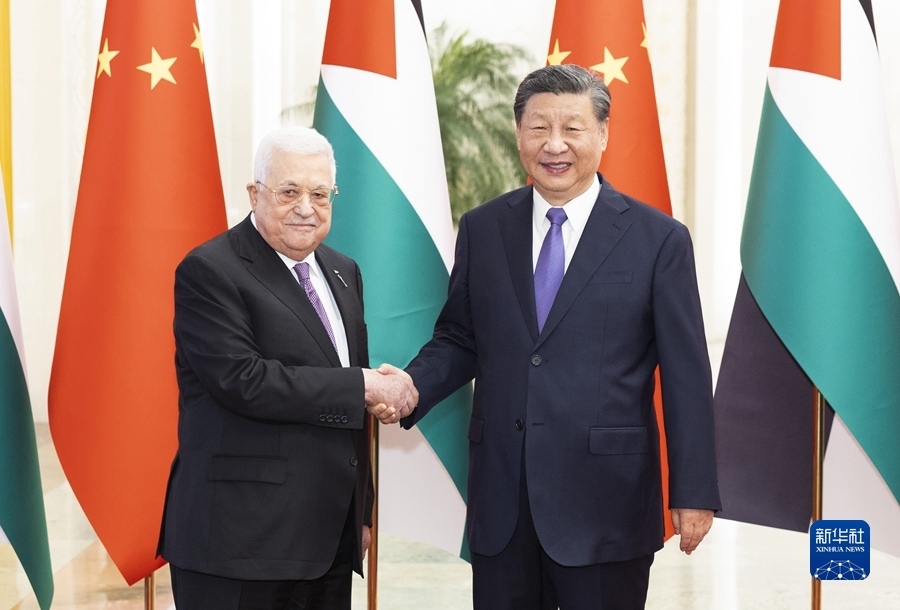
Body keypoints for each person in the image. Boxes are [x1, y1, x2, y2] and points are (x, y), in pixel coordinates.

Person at [380, 64, 721, 609]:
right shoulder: (484, 228)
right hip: (503, 502)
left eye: (572, 128)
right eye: (539, 128)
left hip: (606, 503)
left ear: (603, 134)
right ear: (519, 134)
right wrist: (411, 386)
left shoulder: (658, 239)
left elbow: (686, 374)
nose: (554, 144)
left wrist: (694, 490)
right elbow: (460, 337)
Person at [157, 126, 416, 610]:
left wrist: (360, 513)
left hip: (327, 541)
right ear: (254, 193)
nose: (306, 207)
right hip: (239, 543)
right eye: (289, 191)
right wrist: (363, 386)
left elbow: (346, 399)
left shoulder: (343, 270)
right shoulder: (211, 269)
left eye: (320, 194)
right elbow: (244, 381)